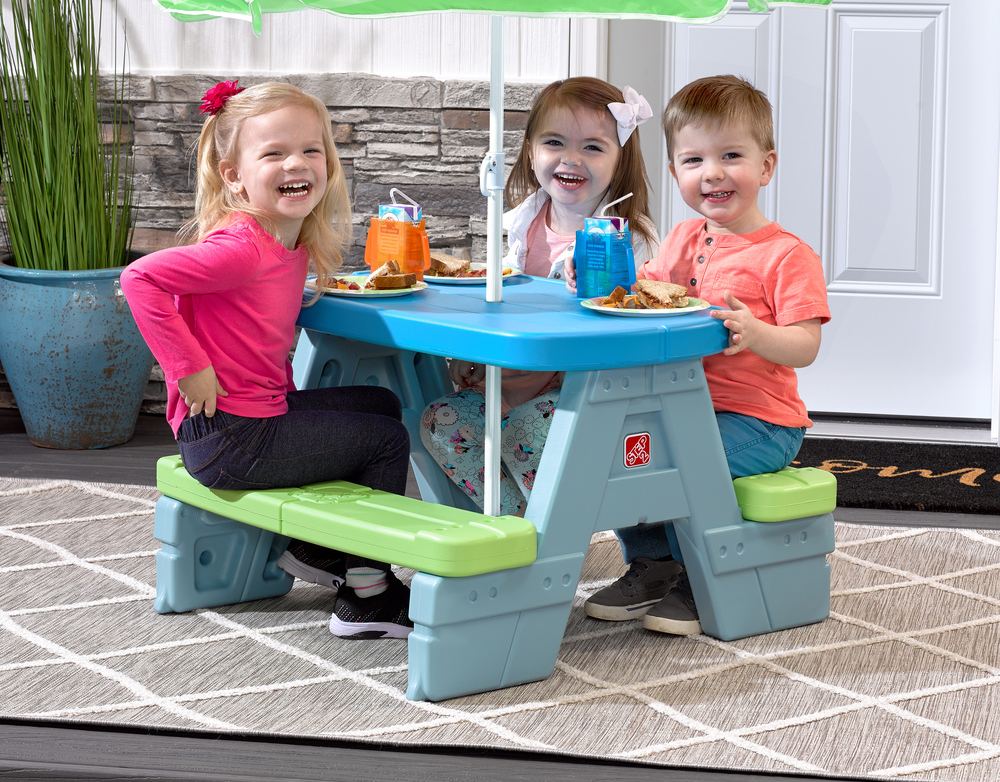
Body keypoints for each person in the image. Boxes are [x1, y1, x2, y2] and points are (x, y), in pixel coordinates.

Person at [121, 80, 414, 639]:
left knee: (380, 404)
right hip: (230, 438)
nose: (296, 163)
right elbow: (140, 279)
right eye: (274, 153)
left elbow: (252, 331)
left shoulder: (284, 239)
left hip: (250, 420)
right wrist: (187, 367)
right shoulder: (241, 248)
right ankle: (368, 593)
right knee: (385, 441)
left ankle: (316, 549)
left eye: (310, 150)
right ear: (234, 175)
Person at [567, 74, 830, 636]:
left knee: (679, 462)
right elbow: (639, 291)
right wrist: (591, 272)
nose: (712, 172)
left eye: (731, 155)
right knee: (622, 457)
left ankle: (697, 574)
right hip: (679, 409)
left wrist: (757, 332)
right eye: (694, 160)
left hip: (759, 421)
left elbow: (806, 345)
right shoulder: (682, 239)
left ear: (766, 166)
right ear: (675, 173)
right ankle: (653, 564)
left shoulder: (787, 256)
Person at [420, 77, 659, 515]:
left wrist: (600, 286)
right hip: (512, 379)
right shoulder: (522, 223)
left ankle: (553, 535)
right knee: (439, 421)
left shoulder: (630, 238)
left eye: (593, 147)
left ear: (620, 160)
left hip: (583, 390)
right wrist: (476, 355)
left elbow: (637, 320)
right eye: (554, 142)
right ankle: (517, 529)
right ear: (531, 152)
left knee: (524, 431)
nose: (571, 158)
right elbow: (504, 307)